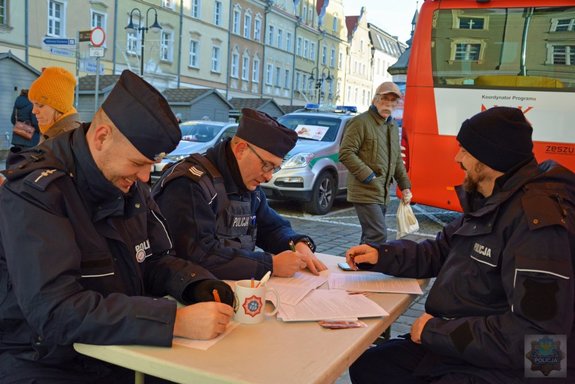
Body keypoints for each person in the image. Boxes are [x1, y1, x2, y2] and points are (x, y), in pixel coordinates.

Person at [0, 70, 235, 383]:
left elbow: (151, 259)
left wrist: (195, 283)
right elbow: (55, 311)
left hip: (116, 349)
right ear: (101, 138)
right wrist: (173, 321)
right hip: (45, 361)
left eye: (149, 166)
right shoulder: (37, 193)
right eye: (138, 163)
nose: (143, 178)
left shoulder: (123, 180)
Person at [345, 107, 575, 383]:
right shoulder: (496, 198)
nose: (457, 158)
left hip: (516, 368)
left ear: (490, 159)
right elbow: (443, 249)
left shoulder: (537, 225)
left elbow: (540, 341)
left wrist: (436, 332)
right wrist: (381, 255)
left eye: (464, 150)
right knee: (370, 365)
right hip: (471, 345)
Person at [152, 108, 327, 280]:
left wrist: (296, 243)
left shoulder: (246, 183)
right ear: (241, 149)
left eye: (275, 168)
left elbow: (271, 227)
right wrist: (270, 265)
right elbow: (198, 254)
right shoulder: (189, 184)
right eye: (266, 165)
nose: (268, 176)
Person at [339, 81, 412, 245]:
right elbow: (345, 153)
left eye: (393, 101)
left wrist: (405, 186)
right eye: (385, 99)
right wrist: (369, 176)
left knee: (369, 236)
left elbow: (396, 159)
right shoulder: (360, 122)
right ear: (375, 99)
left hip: (382, 192)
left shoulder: (392, 126)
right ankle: (366, 267)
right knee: (377, 235)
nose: (389, 104)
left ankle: (358, 266)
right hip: (365, 190)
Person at [28, 66, 81, 142]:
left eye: (40, 105)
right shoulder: (53, 131)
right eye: (33, 104)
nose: (33, 111)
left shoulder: (68, 138)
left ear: (59, 107)